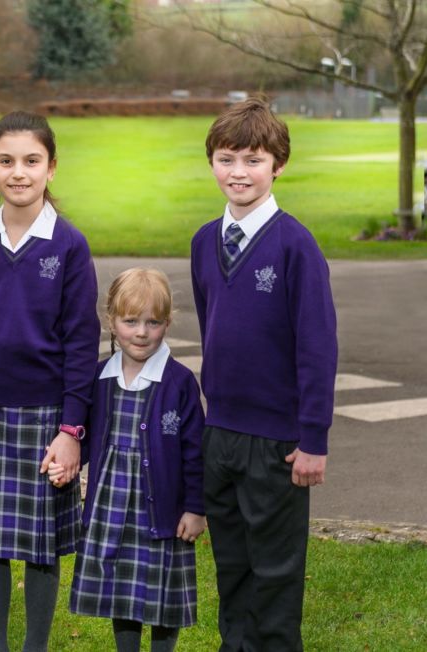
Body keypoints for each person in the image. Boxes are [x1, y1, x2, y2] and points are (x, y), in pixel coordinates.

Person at [0, 111, 99, 652]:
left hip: (46, 418)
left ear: (52, 168)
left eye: (32, 161)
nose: (19, 172)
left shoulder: (69, 246)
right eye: (6, 161)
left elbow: (81, 344)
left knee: (41, 544)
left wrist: (71, 430)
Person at [191, 98, 337, 651]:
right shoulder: (205, 242)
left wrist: (313, 438)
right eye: (227, 159)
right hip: (220, 434)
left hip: (278, 441)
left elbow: (318, 347)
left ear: (278, 165)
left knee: (275, 574)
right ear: (212, 164)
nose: (239, 173)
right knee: (233, 567)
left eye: (253, 160)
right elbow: (213, 328)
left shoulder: (295, 245)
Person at [60, 268, 205, 652]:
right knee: (122, 592)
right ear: (111, 321)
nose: (141, 332)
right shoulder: (100, 379)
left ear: (167, 323)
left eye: (153, 322)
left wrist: (195, 508)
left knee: (160, 596)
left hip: (160, 513)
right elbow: (87, 439)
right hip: (111, 509)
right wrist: (68, 460)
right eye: (130, 321)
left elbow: (195, 452)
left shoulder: (179, 383)